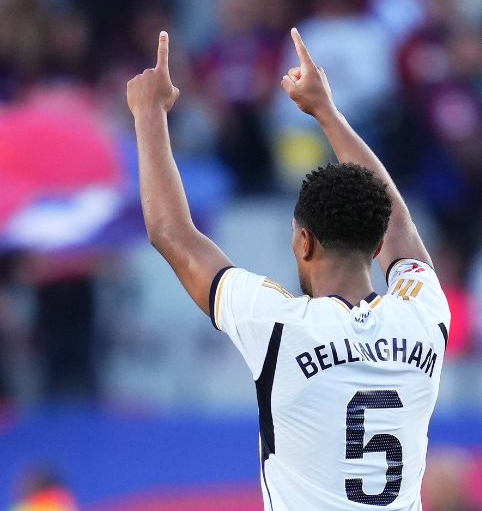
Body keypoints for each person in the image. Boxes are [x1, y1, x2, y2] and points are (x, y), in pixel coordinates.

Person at [127, 29, 450, 509]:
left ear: (304, 241)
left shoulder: (280, 326)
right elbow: (400, 224)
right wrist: (327, 112)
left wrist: (149, 113)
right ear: (377, 241)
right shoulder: (423, 317)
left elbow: (171, 233)